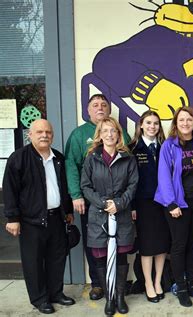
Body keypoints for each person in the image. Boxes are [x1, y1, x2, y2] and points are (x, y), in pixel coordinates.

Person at [3, 119, 75, 314]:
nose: (44, 135)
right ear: (30, 135)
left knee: (57, 258)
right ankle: (39, 299)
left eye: (48, 132)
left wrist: (67, 211)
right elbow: (10, 190)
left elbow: (64, 188)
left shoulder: (58, 158)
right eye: (40, 132)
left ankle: (56, 293)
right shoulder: (18, 158)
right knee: (33, 262)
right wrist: (12, 218)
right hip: (30, 221)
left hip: (56, 219)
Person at [64, 94, 131, 300]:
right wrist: (76, 195)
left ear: (109, 110)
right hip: (91, 201)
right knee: (94, 243)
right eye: (95, 105)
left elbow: (130, 167)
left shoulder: (122, 134)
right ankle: (98, 284)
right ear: (88, 110)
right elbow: (71, 166)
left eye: (104, 105)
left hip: (119, 204)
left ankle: (117, 287)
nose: (100, 108)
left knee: (120, 243)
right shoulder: (78, 134)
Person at [80, 117, 138, 316]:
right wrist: (103, 204)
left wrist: (119, 204)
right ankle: (109, 298)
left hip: (121, 216)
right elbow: (85, 186)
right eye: (105, 131)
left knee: (121, 256)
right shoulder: (92, 157)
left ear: (119, 134)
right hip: (98, 216)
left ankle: (120, 297)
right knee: (100, 257)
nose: (110, 134)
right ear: (100, 134)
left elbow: (133, 185)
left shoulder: (128, 158)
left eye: (113, 130)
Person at [155, 107, 193, 307]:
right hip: (177, 204)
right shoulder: (169, 146)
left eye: (189, 120)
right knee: (179, 246)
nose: (185, 123)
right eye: (181, 120)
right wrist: (171, 203)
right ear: (176, 124)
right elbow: (163, 177)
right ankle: (182, 288)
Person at [129, 110, 170, 303]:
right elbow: (128, 182)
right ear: (141, 126)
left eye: (156, 123)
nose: (152, 126)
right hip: (143, 205)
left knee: (161, 245)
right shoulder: (132, 149)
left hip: (163, 203)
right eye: (149, 123)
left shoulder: (165, 148)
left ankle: (158, 281)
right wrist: (132, 207)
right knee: (147, 246)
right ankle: (147, 283)